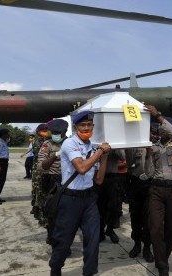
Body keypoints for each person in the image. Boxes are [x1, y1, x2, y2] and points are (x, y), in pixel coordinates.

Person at [49, 111, 111, 276]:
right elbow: (82, 168)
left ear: (93, 127)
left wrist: (104, 158)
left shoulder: (92, 147)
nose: (86, 128)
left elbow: (98, 180)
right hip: (70, 199)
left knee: (93, 240)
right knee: (63, 241)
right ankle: (55, 269)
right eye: (82, 125)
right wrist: (99, 153)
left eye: (89, 125)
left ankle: (89, 272)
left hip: (89, 199)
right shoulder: (69, 144)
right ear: (76, 128)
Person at [144, 105, 172, 276]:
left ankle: (163, 257)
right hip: (157, 190)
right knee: (155, 228)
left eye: (164, 126)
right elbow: (149, 173)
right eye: (160, 127)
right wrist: (148, 154)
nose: (161, 129)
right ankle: (162, 266)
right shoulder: (154, 148)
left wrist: (158, 116)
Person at [37, 119, 68, 244]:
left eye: (58, 132)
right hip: (50, 181)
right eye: (53, 132)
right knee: (51, 212)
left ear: (65, 132)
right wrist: (55, 155)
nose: (55, 134)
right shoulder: (47, 145)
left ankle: (63, 239)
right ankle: (52, 235)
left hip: (67, 182)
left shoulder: (71, 143)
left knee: (66, 213)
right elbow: (41, 167)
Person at [125, 146, 154, 262]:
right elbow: (129, 162)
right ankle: (137, 244)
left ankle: (147, 247)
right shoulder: (135, 144)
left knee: (148, 218)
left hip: (151, 184)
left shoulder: (157, 145)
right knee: (135, 216)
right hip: (135, 183)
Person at [96, 149, 126, 244]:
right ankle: (100, 230)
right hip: (98, 178)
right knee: (99, 206)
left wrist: (113, 148)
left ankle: (110, 229)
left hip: (112, 177)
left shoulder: (115, 144)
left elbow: (123, 157)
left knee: (114, 206)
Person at [30, 123, 49, 219]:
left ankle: (36, 207)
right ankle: (36, 208)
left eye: (47, 130)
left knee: (38, 189)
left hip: (41, 168)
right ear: (38, 131)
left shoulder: (44, 140)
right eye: (44, 130)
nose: (46, 132)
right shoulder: (38, 141)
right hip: (38, 169)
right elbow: (39, 154)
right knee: (37, 189)